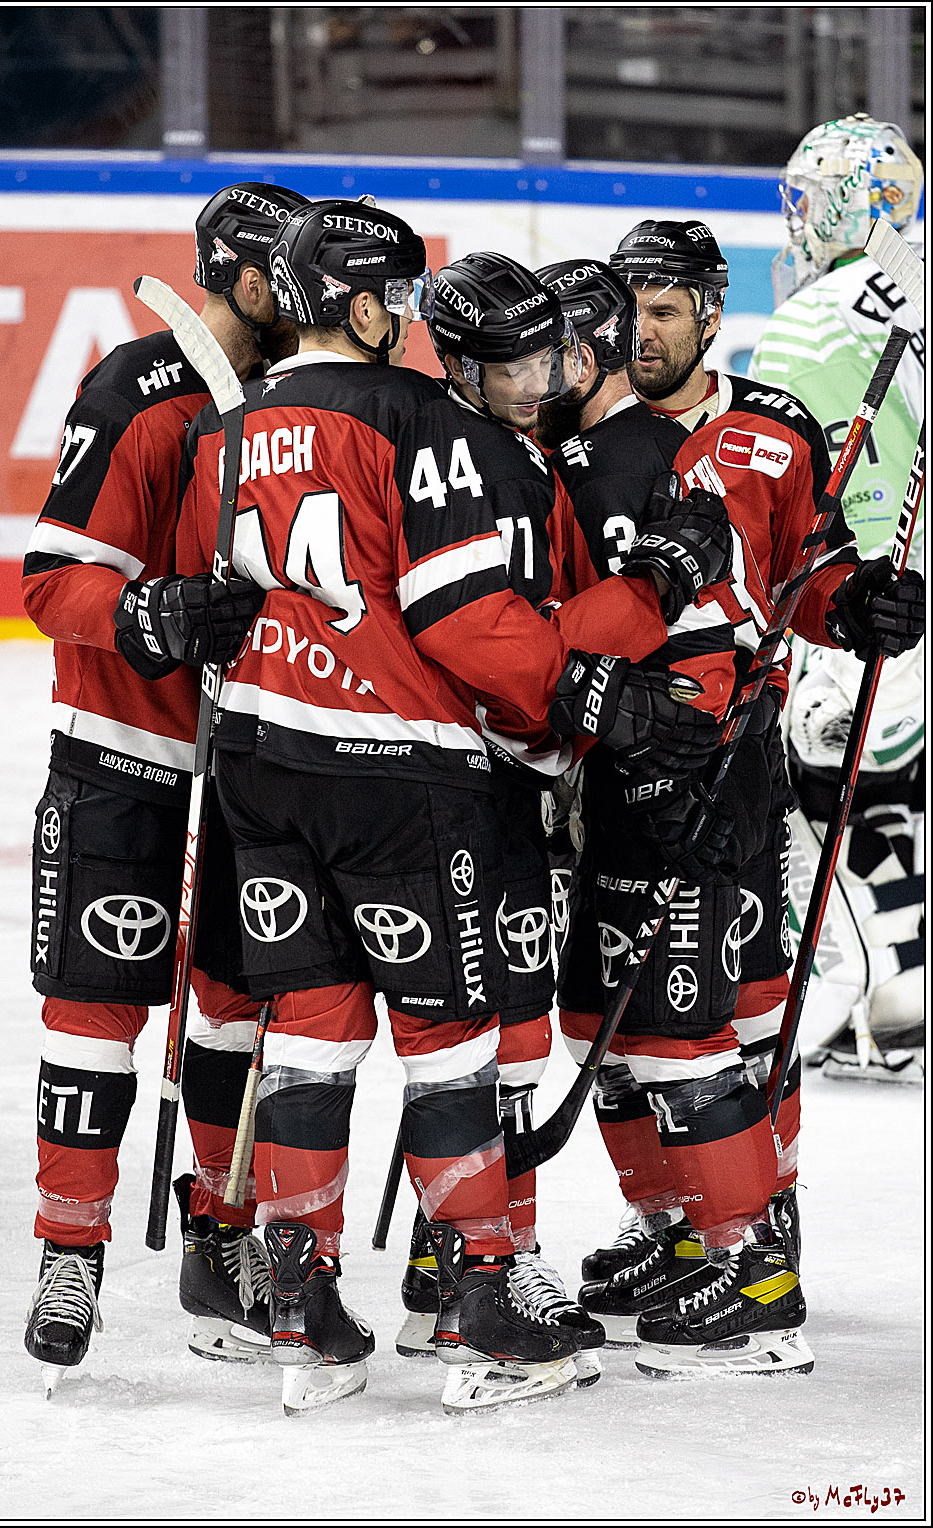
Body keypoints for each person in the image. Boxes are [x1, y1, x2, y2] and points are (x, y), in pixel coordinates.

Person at [174, 201, 719, 1414]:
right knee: (450, 1042)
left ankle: (299, 1303)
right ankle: (481, 1295)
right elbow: (466, 622)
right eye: (401, 303)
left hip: (262, 773)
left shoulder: (232, 428)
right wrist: (606, 697)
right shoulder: (424, 418)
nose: (413, 324)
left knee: (310, 1034)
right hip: (402, 779)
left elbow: (212, 610)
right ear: (364, 310)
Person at [560, 219, 924, 1377]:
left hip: (733, 765)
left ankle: (758, 1231)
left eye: (666, 306)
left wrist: (858, 606)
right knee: (612, 1020)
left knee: (745, 1006)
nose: (644, 326)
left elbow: (807, 574)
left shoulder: (773, 429)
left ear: (713, 313)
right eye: (630, 305)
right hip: (597, 767)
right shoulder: (578, 436)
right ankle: (679, 1222)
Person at [393, 251, 732, 1380]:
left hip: (502, 771)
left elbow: (542, 623)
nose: (553, 372)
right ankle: (479, 1267)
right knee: (486, 1039)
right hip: (466, 773)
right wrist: (649, 598)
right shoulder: (477, 452)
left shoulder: (513, 444)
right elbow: (484, 631)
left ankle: (457, 1260)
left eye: (559, 350)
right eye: (532, 354)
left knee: (496, 1037)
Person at [20, 181, 309, 1390]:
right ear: (246, 279)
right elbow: (47, 579)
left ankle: (220, 1236)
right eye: (288, 275)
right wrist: (155, 609)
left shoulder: (302, 405)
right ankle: (66, 1251)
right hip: (121, 757)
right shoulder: (134, 391)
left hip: (253, 757)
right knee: (97, 1016)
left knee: (236, 1013)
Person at [751, 113, 925, 1077]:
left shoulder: (815, 318)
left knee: (810, 790)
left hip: (859, 605)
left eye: (807, 200)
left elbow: (795, 494)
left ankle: (846, 978)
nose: (796, 220)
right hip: (921, 601)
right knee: (897, 795)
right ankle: (907, 992)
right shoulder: (923, 291)